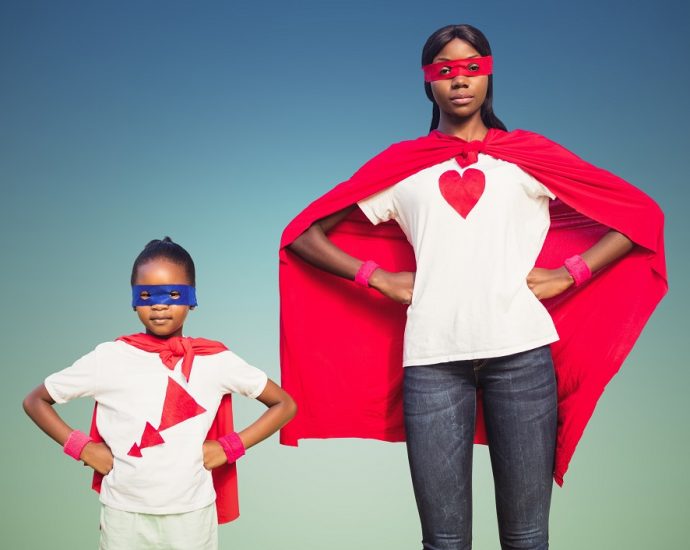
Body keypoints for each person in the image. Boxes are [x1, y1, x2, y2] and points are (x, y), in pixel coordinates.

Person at [279, 24, 666, 550]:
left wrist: (570, 272)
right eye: (445, 71)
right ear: (428, 84)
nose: (459, 80)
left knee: (527, 538)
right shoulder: (403, 168)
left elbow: (638, 216)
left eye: (471, 68)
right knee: (443, 541)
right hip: (432, 364)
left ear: (488, 75)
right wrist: (377, 277)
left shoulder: (526, 157)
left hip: (523, 358)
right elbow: (302, 235)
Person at [23, 237, 296, 550]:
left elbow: (283, 404)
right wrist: (83, 449)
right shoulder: (109, 357)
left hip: (191, 515)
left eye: (174, 293)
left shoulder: (214, 360)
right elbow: (35, 401)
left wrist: (229, 446)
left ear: (192, 299)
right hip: (123, 513)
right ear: (134, 300)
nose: (160, 304)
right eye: (147, 294)